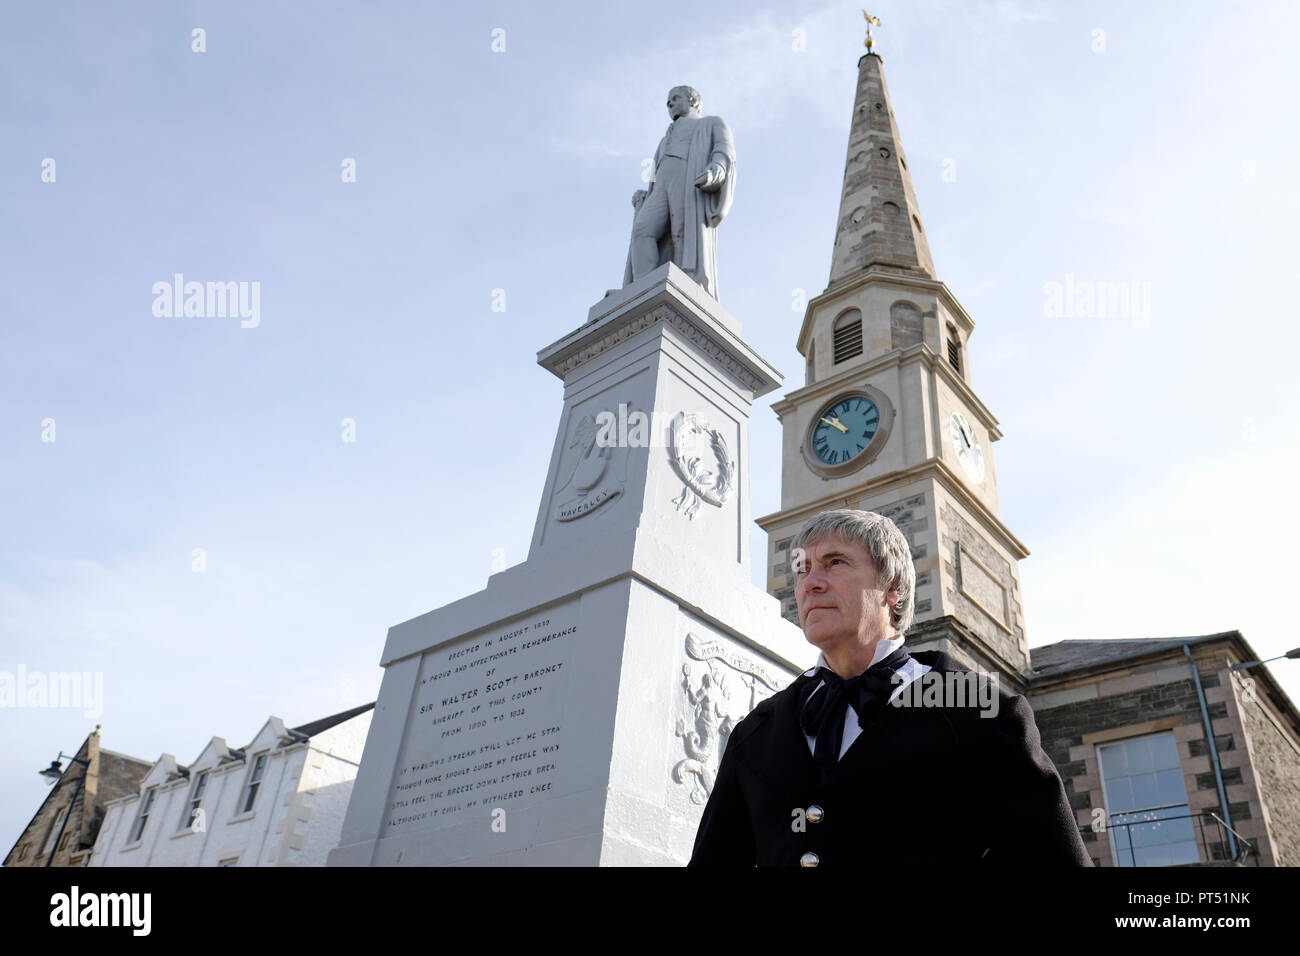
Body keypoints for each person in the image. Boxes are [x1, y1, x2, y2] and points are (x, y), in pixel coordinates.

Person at [688, 508, 1093, 867]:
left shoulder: (981, 712)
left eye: (834, 563)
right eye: (803, 569)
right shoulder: (756, 732)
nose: (810, 583)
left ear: (892, 587)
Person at [622, 86, 735, 299]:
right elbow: (655, 175)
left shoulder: (712, 123)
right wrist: (645, 195)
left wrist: (715, 170)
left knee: (681, 231)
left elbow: (724, 152)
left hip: (689, 177)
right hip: (662, 185)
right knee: (642, 231)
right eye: (668, 102)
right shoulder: (664, 140)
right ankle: (644, 287)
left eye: (675, 98)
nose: (670, 104)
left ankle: (685, 281)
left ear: (693, 100)